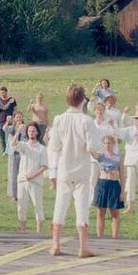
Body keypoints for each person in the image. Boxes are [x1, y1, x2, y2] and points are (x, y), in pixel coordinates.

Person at [47, 84, 102, 257]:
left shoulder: (59, 119)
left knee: (60, 205)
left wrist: (52, 172)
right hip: (82, 168)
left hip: (64, 168)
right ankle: (83, 247)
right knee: (82, 207)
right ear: (82, 100)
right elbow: (94, 146)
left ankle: (55, 245)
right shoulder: (87, 121)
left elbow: (54, 146)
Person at [11, 122, 48, 234]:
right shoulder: (24, 145)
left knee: (38, 206)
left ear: (37, 132)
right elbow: (13, 144)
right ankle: (23, 230)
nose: (31, 132)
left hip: (35, 182)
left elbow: (44, 166)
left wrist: (33, 175)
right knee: (21, 206)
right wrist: (18, 131)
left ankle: (39, 232)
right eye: (29, 131)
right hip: (22, 180)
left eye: (33, 131)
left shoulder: (41, 148)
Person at [92, 135, 124, 240]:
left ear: (113, 144)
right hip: (102, 184)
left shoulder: (118, 157)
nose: (107, 145)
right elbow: (92, 153)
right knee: (100, 212)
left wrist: (123, 191)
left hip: (114, 184)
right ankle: (99, 236)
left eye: (109, 143)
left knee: (114, 212)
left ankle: (114, 237)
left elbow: (123, 175)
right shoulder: (101, 156)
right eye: (105, 143)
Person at [3, 111, 26, 201]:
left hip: (22, 153)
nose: (19, 118)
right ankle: (13, 195)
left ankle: (21, 193)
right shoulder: (12, 128)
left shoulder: (25, 127)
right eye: (17, 117)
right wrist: (7, 121)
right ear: (14, 119)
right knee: (12, 174)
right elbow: (4, 128)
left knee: (21, 174)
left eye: (20, 117)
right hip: (13, 153)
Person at [0, 86, 18, 152]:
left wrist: (13, 117)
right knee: (2, 137)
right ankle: (4, 150)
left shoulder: (12, 99)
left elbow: (15, 109)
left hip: (10, 120)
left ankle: (11, 149)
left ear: (6, 92)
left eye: (3, 92)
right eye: (1, 93)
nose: (2, 94)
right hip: (1, 119)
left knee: (11, 135)